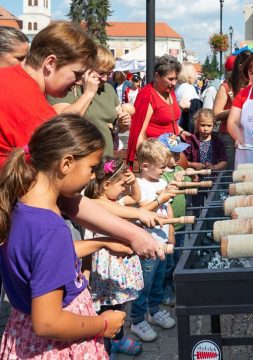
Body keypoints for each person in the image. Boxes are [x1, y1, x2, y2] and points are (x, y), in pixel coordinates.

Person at [0, 21, 164, 262]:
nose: (79, 82)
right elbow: (65, 196)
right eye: (76, 74)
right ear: (50, 63)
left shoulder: (8, 78)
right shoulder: (31, 109)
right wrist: (132, 232)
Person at [0, 115, 129, 358]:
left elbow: (43, 260)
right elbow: (48, 322)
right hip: (56, 346)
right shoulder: (50, 228)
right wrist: (103, 324)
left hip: (24, 336)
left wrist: (101, 242)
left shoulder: (19, 206)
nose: (93, 177)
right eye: (92, 168)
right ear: (66, 163)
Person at [84, 157, 144, 356]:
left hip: (119, 269)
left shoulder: (115, 200)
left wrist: (132, 181)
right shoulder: (92, 205)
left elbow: (136, 198)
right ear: (107, 184)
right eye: (120, 185)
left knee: (119, 305)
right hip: (103, 270)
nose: (123, 189)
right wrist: (141, 215)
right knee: (103, 308)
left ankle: (118, 338)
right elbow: (114, 209)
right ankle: (104, 346)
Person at [130, 138, 177, 342]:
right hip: (147, 245)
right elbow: (139, 213)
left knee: (158, 280)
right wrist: (160, 199)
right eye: (161, 167)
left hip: (162, 241)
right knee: (144, 284)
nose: (164, 170)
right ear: (145, 165)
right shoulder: (137, 186)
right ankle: (137, 319)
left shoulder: (163, 182)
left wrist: (171, 234)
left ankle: (154, 310)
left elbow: (168, 210)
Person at [49, 46, 131, 156]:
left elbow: (114, 127)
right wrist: (89, 92)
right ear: (86, 67)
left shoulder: (108, 89)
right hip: (79, 159)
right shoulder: (68, 88)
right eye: (101, 73)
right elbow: (63, 121)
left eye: (109, 73)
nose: (105, 78)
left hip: (105, 159)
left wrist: (122, 124)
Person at [126, 55, 191, 166]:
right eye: (170, 79)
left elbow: (168, 119)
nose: (174, 83)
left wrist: (180, 131)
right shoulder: (147, 95)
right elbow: (139, 133)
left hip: (173, 149)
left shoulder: (169, 90)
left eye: (176, 78)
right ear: (157, 76)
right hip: (157, 157)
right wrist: (148, 164)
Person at [158, 133, 192, 306]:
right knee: (167, 262)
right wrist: (175, 185)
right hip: (168, 226)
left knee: (178, 257)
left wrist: (192, 176)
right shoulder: (161, 176)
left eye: (179, 152)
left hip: (181, 224)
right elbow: (166, 198)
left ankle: (175, 285)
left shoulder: (179, 170)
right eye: (174, 154)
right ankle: (163, 290)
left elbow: (190, 183)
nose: (178, 156)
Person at [213, 52, 251, 169]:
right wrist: (235, 110)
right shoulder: (227, 86)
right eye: (249, 68)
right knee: (230, 174)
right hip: (229, 136)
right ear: (240, 67)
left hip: (250, 134)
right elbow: (215, 114)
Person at [176, 62, 202, 133]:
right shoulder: (188, 87)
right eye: (194, 72)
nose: (195, 75)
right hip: (186, 128)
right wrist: (197, 105)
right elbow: (183, 104)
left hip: (179, 127)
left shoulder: (180, 87)